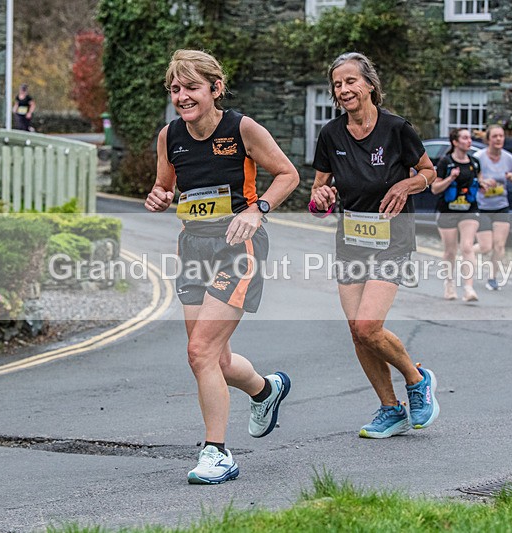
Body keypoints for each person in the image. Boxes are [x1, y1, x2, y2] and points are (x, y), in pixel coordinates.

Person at [144, 50, 299, 484]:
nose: (182, 96)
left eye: (191, 87)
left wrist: (258, 209)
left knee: (199, 352)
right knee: (215, 358)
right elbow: (164, 185)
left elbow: (287, 174)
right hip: (192, 248)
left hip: (238, 246)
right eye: (175, 89)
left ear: (215, 88)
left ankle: (218, 454)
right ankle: (266, 390)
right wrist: (157, 196)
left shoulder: (241, 128)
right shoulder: (169, 136)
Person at [309, 52, 439, 440]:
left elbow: (429, 173)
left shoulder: (397, 129)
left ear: (369, 84)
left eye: (351, 81)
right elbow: (318, 192)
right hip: (351, 239)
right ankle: (390, 408)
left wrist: (405, 184)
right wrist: (323, 198)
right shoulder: (331, 134)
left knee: (369, 325)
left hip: (392, 239)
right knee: (356, 330)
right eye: (337, 84)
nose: (344, 89)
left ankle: (416, 380)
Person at [430, 128, 483, 302]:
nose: (469, 141)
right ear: (455, 142)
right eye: (465, 138)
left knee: (467, 247)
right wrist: (450, 179)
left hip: (469, 209)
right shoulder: (446, 162)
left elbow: (480, 181)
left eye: (470, 138)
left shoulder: (475, 163)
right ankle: (449, 283)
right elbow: (435, 188)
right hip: (447, 211)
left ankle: (469, 288)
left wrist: (486, 185)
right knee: (450, 251)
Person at [474, 124, 512, 290]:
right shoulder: (479, 157)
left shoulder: (509, 159)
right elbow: (468, 179)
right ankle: (467, 252)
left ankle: (492, 278)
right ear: (488, 139)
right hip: (481, 206)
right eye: (495, 136)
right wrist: (481, 182)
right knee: (485, 246)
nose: (498, 139)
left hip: (501, 206)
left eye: (501, 136)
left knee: (500, 246)